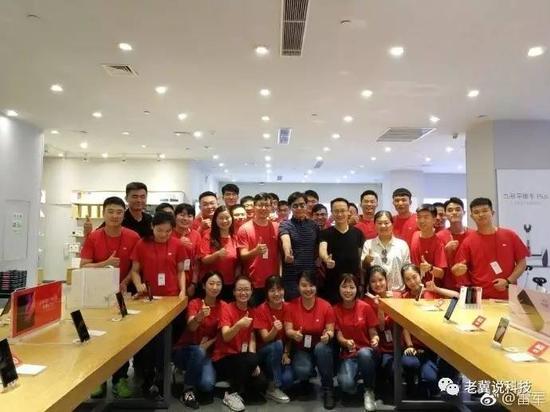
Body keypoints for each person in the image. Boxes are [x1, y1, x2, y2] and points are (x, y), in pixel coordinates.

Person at [80, 196, 140, 398]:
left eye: (119, 212)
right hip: (96, 296)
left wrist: (125, 282)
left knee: (121, 338)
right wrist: (105, 263)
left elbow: (136, 266)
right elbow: (84, 266)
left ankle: (120, 378)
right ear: (103, 213)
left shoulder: (133, 236)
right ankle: (97, 379)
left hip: (122, 295)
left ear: (124, 214)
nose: (115, 215)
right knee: (97, 336)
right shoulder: (94, 237)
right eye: (111, 211)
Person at [130, 211, 188, 398]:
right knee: (149, 341)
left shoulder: (177, 244)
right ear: (152, 227)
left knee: (165, 341)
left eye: (168, 231)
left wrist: (182, 291)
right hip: (149, 299)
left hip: (171, 300)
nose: (164, 234)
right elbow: (135, 270)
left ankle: (161, 378)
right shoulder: (142, 244)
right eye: (160, 230)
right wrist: (138, 285)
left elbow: (180, 271)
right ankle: (148, 377)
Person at [400, 264, 458, 398]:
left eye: (414, 277)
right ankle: (415, 386)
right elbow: (404, 325)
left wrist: (436, 289)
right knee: (417, 368)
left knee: (434, 377)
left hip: (435, 346)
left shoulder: (431, 292)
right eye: (408, 279)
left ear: (420, 276)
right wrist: (409, 345)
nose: (412, 282)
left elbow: (457, 296)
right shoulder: (404, 298)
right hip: (417, 347)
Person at [452, 197, 528, 299]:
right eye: (476, 212)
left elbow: (522, 263)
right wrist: (456, 270)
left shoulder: (510, 235)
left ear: (492, 212)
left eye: (485, 210)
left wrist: (508, 281)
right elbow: (457, 269)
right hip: (480, 298)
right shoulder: (468, 242)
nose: (481, 214)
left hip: (508, 296)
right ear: (472, 216)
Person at [211, 276, 268, 411]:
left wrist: (253, 363)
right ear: (234, 292)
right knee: (249, 362)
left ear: (252, 291)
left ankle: (234, 386)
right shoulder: (226, 308)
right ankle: (231, 394)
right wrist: (238, 325)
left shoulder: (252, 311)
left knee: (261, 384)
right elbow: (226, 336)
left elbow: (252, 337)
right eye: (240, 290)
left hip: (243, 357)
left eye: (247, 289)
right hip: (224, 357)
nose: (243, 293)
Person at [284, 272, 336, 409]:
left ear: (316, 287)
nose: (308, 289)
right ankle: (306, 378)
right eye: (304, 285)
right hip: (301, 348)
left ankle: (328, 389)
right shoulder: (291, 306)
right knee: (302, 371)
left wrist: (328, 336)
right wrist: (294, 334)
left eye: (311, 285)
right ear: (298, 286)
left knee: (322, 349)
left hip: (320, 346)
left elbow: (331, 330)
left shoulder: (326, 306)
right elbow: (288, 330)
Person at [173, 271, 223, 408]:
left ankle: (188, 372)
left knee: (207, 385)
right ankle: (187, 390)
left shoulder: (223, 306)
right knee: (198, 352)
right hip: (185, 350)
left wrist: (208, 344)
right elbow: (191, 327)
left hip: (205, 352)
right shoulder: (195, 303)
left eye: (218, 284)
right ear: (203, 286)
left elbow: (222, 334)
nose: (215, 287)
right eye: (211, 283)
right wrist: (199, 317)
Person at [334, 274, 379, 411]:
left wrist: (375, 339)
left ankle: (369, 391)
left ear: (357, 289)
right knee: (347, 386)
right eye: (344, 287)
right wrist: (345, 342)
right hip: (348, 355)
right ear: (339, 288)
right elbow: (339, 335)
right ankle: (359, 376)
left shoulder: (365, 307)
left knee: (364, 354)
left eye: (351, 287)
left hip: (367, 352)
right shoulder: (335, 309)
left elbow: (373, 332)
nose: (348, 290)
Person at [253, 275, 292, 403]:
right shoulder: (261, 309)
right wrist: (275, 329)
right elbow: (265, 338)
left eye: (279, 289)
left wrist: (286, 352)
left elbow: (289, 336)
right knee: (277, 344)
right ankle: (274, 387)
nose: (276, 294)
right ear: (266, 293)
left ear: (284, 290)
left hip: (281, 353)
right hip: (264, 352)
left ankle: (271, 379)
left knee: (288, 380)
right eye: (272, 290)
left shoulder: (289, 307)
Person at [236, 193, 279, 306]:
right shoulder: (245, 228)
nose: (263, 208)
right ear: (254, 206)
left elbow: (280, 254)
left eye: (267, 205)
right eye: (260, 205)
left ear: (271, 207)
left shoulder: (277, 227)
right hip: (253, 282)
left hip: (273, 282)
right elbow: (242, 255)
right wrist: (255, 252)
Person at [319, 198, 364, 303]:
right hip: (332, 285)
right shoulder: (325, 233)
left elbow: (360, 259)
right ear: (332, 212)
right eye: (336, 211)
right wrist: (326, 259)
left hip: (352, 285)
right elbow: (322, 249)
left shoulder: (357, 233)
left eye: (343, 211)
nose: (339, 214)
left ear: (348, 212)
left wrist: (362, 282)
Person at [279, 192, 318, 300]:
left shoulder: (314, 225)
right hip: (292, 275)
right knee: (292, 306)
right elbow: (285, 240)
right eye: (295, 206)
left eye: (302, 205)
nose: (299, 208)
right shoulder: (285, 224)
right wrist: (287, 253)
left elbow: (317, 246)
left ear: (306, 205)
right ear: (290, 208)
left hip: (310, 274)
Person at [362, 210, 410, 292]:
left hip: (397, 292)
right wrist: (366, 261)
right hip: (375, 292)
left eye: (386, 223)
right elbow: (364, 269)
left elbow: (407, 270)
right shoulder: (368, 244)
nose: (383, 226)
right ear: (375, 225)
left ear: (392, 224)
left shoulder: (402, 244)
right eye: (379, 223)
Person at [363, 266, 395, 388]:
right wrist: (381, 307)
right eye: (373, 281)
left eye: (381, 280)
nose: (378, 284)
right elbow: (381, 327)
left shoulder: (396, 297)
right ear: (368, 284)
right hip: (378, 347)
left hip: (397, 346)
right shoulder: (366, 302)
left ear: (386, 280)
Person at [200, 206, 239, 301]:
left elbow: (238, 262)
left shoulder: (235, 237)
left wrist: (237, 279)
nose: (224, 221)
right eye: (221, 218)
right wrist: (217, 254)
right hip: (212, 284)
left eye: (227, 218)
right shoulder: (208, 236)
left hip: (230, 283)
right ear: (215, 220)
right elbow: (204, 260)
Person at [436, 197, 472, 291]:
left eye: (458, 209)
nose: (454, 212)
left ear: (464, 212)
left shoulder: (473, 235)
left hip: (471, 285)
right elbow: (437, 265)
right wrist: (446, 251)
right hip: (447, 286)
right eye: (450, 210)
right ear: (445, 214)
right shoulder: (439, 236)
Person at [409, 204, 447, 284]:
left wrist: (430, 268)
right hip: (413, 285)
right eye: (419, 217)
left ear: (434, 220)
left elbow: (441, 274)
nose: (421, 221)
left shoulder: (438, 242)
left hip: (431, 287)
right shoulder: (415, 234)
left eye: (426, 217)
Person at [173, 203, 202, 298]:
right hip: (171, 279)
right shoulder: (169, 233)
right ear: (175, 216)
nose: (185, 218)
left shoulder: (196, 235)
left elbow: (197, 262)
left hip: (189, 280)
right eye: (182, 215)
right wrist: (178, 243)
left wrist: (193, 283)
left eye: (189, 216)